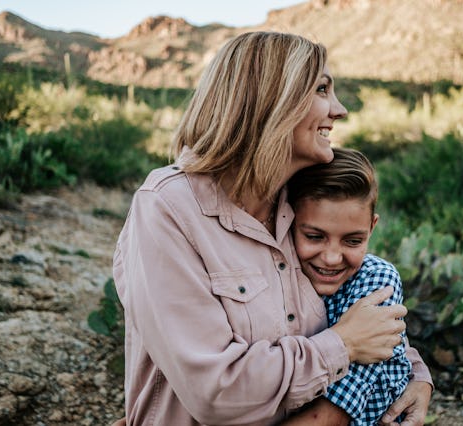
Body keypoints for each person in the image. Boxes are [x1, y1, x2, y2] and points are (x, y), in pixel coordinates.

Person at [112, 31, 431, 425]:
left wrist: (415, 374)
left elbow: (351, 312)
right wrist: (343, 346)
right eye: (322, 89)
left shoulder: (298, 206)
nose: (340, 110)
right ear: (271, 99)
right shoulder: (169, 208)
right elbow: (216, 392)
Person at [281, 147, 430, 426]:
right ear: (288, 221)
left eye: (352, 241)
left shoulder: (376, 280)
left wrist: (421, 376)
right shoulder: (281, 272)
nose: (332, 258)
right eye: (314, 236)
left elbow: (336, 412)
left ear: (372, 227)